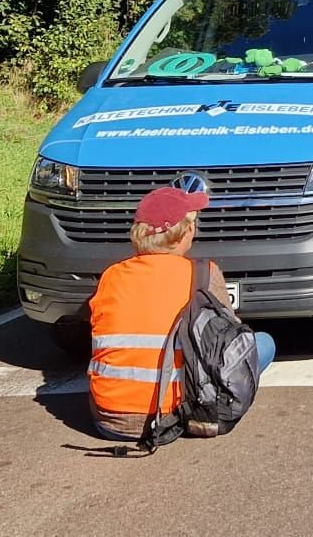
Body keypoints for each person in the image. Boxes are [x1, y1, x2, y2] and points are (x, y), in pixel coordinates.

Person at [87, 184, 277, 441]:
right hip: (175, 416)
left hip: (108, 420)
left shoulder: (111, 276)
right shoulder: (203, 273)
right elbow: (231, 342)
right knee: (263, 343)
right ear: (184, 232)